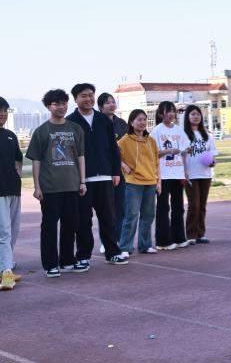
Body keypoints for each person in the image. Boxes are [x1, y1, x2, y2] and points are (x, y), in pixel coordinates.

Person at [25, 89, 87, 277]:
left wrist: (82, 181)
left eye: (64, 103)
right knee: (50, 227)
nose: (61, 107)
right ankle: (50, 264)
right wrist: (37, 186)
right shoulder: (41, 131)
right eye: (56, 104)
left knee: (71, 225)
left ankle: (67, 260)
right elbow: (36, 160)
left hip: (72, 185)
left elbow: (81, 156)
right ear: (48, 106)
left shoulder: (75, 129)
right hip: (50, 187)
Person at [66, 83, 128, 266]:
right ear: (76, 99)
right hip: (83, 180)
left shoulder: (104, 120)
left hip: (105, 177)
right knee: (83, 220)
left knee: (109, 218)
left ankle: (112, 252)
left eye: (91, 95)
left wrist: (115, 172)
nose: (88, 99)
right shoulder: (70, 121)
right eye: (84, 96)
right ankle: (83, 256)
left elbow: (113, 148)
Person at [118, 109, 161, 255]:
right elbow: (114, 155)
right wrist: (124, 166)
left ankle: (145, 245)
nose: (142, 122)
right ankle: (125, 248)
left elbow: (156, 163)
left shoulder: (151, 141)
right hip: (133, 183)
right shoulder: (124, 141)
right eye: (139, 120)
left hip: (150, 182)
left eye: (144, 119)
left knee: (148, 216)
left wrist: (158, 181)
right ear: (132, 122)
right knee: (131, 216)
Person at [151, 101, 190, 250]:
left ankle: (179, 237)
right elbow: (153, 153)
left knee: (178, 207)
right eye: (168, 111)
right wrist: (168, 151)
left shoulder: (179, 130)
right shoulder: (157, 131)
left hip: (177, 173)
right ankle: (163, 241)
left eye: (173, 111)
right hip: (163, 174)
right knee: (163, 207)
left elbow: (185, 151)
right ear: (161, 114)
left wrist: (185, 172)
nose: (171, 114)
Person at [97, 92, 128, 252]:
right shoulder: (97, 122)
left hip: (121, 174)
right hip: (103, 173)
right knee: (106, 210)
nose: (111, 105)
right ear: (100, 107)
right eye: (107, 102)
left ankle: (118, 240)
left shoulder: (121, 123)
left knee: (120, 209)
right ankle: (106, 241)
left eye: (113, 102)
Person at [183, 105, 217, 244]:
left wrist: (213, 162)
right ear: (187, 116)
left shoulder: (206, 134)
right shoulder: (183, 134)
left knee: (202, 205)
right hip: (190, 174)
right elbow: (180, 153)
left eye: (198, 114)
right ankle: (190, 235)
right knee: (194, 205)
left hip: (205, 174)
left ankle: (200, 234)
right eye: (193, 114)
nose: (196, 116)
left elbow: (212, 152)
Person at [0, 97, 22, 290]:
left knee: (13, 230)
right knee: (4, 231)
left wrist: (17, 175)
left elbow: (18, 158)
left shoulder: (10, 135)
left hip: (13, 189)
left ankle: (6, 263)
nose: (2, 113)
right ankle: (6, 271)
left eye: (5, 110)